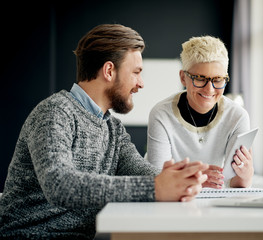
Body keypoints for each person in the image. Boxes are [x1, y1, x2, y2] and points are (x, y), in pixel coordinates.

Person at [0, 24, 208, 240]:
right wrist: (156, 187)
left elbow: (140, 170)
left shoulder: (113, 129)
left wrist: (180, 180)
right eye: (136, 72)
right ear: (109, 71)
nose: (141, 84)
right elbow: (60, 185)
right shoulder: (55, 112)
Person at [147, 36, 253, 189]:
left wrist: (246, 175)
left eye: (217, 80)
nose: (209, 89)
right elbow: (158, 181)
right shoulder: (161, 114)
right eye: (200, 78)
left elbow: (237, 188)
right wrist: (197, 178)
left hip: (213, 201)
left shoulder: (238, 116)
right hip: (172, 201)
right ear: (183, 78)